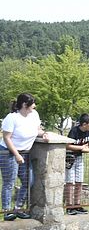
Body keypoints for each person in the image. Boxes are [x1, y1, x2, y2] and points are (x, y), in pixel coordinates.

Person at [2, 93, 47, 221]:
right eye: (33, 104)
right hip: (8, 152)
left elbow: (37, 130)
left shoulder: (34, 115)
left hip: (25, 152)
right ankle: (6, 211)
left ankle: (18, 208)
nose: (35, 106)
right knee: (9, 182)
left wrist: (44, 134)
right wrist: (16, 154)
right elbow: (6, 138)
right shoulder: (12, 118)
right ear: (24, 105)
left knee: (29, 181)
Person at [64, 113, 89, 215]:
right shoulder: (74, 131)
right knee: (70, 182)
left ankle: (77, 204)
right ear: (85, 124)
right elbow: (68, 145)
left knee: (79, 182)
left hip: (80, 158)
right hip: (70, 158)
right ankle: (69, 206)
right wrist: (81, 148)